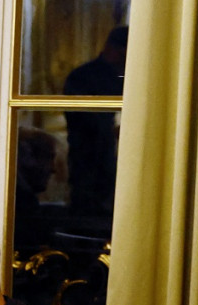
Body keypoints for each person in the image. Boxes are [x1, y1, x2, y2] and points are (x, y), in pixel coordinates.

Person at [63, 26, 127, 217]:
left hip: (112, 162)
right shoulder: (82, 77)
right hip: (89, 164)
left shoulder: (124, 76)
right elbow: (85, 122)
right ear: (115, 49)